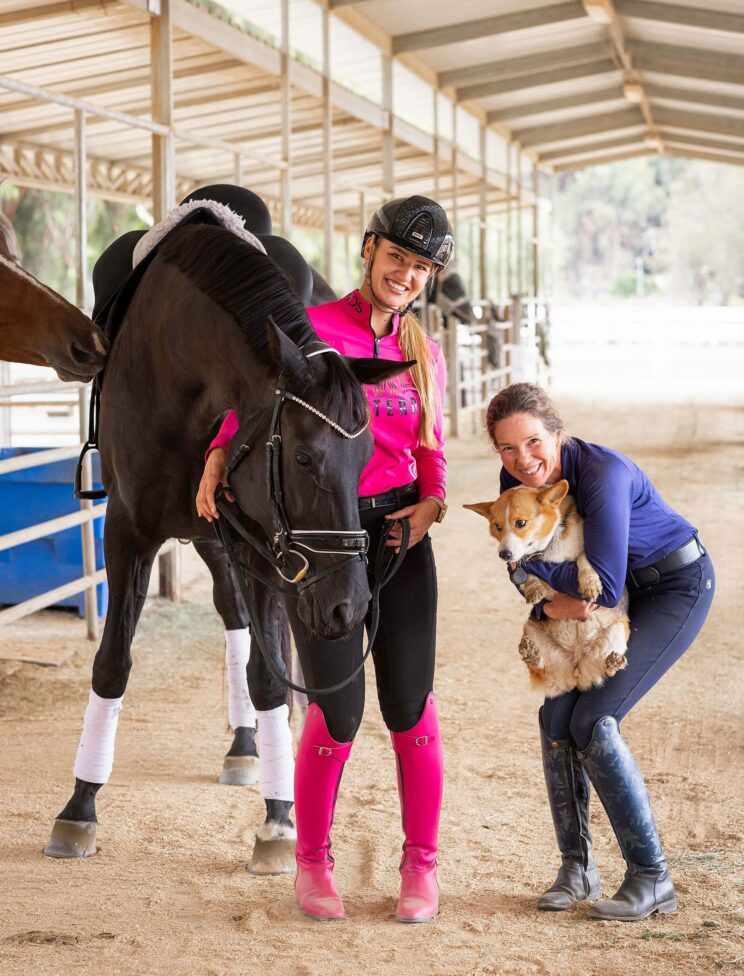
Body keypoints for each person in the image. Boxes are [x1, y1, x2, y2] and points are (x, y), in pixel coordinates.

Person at [196, 195, 453, 923]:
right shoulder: (310, 332)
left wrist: (433, 501)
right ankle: (312, 862)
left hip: (402, 538)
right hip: (326, 542)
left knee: (412, 711)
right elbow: (252, 401)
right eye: (398, 256)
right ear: (369, 250)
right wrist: (217, 455)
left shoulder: (422, 353)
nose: (407, 274)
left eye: (421, 267)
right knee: (337, 715)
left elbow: (429, 446)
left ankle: (421, 867)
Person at [486, 383, 714, 922]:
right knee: (555, 716)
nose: (523, 460)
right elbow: (519, 558)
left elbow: (602, 588)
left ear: (558, 434)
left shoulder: (603, 475)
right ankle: (577, 868)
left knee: (594, 718)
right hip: (609, 594)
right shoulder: (518, 481)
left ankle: (651, 876)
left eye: (534, 442)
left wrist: (534, 579)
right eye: (507, 449)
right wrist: (544, 608)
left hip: (673, 585)